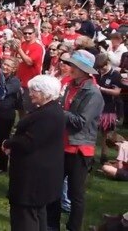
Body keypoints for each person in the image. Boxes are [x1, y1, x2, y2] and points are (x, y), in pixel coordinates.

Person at [46, 50, 103, 231]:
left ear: (83, 70)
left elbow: (81, 122)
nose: (69, 68)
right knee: (54, 187)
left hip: (80, 149)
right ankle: (51, 224)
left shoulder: (93, 93)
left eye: (73, 66)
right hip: (63, 145)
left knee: (75, 193)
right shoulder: (71, 86)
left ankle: (74, 227)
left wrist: (59, 112)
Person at [3, 75, 65, 231]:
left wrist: (9, 142)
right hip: (40, 176)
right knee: (38, 213)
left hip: (33, 178)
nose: (30, 94)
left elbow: (29, 142)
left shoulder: (48, 114)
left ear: (46, 93)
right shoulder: (50, 110)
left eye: (34, 91)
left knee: (25, 216)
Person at [0, 58, 21, 172]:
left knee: (2, 139)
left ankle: (2, 165)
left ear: (13, 69)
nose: (5, 66)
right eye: (4, 64)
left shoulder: (14, 81)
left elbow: (2, 93)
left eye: (8, 65)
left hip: (6, 114)